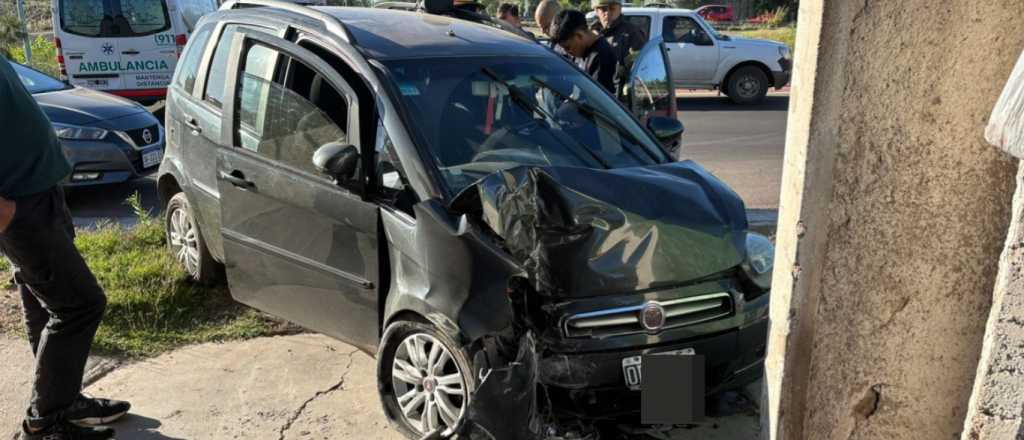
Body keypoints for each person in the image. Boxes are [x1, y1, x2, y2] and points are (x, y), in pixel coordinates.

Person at [0, 57, 130, 440]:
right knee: (80, 304)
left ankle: (63, 400)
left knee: (43, 305)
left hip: (40, 195)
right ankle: (44, 422)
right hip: (19, 208)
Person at [549, 9, 617, 93]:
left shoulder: (602, 56)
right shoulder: (581, 51)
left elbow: (595, 98)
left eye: (568, 47)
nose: (567, 52)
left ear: (579, 35)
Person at [590, 0, 647, 98]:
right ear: (596, 11)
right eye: (603, 9)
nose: (607, 13)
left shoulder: (632, 33)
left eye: (612, 8)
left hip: (618, 98)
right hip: (594, 94)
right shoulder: (590, 33)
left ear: (619, 9)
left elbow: (642, 67)